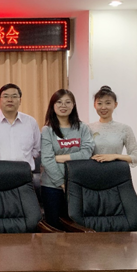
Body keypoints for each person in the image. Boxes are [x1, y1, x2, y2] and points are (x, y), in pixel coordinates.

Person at [41, 89, 94, 229]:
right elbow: (46, 160)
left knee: (77, 227)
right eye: (59, 102)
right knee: (54, 227)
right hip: (52, 186)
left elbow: (86, 153)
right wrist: (62, 183)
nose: (63, 105)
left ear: (73, 105)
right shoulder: (47, 130)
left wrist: (59, 157)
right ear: (53, 105)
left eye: (67, 102)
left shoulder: (82, 128)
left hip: (78, 183)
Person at [0, 83, 40, 170]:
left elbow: (36, 149)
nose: (10, 100)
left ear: (20, 100)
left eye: (14, 96)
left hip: (24, 174)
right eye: (5, 96)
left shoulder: (31, 122)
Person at [89, 85, 137, 167]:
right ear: (94, 105)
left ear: (115, 105)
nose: (103, 107)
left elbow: (136, 157)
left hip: (115, 172)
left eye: (108, 103)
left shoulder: (124, 129)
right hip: (92, 172)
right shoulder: (88, 128)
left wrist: (115, 156)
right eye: (99, 103)